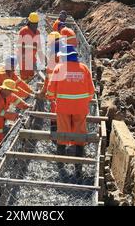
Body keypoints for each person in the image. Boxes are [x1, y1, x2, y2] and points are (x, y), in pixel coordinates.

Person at [46, 44, 95, 175]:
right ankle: (78, 170)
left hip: (63, 108)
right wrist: (82, 102)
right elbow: (91, 92)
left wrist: (54, 98)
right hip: (80, 109)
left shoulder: (58, 69)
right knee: (79, 137)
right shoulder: (84, 69)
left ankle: (61, 168)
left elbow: (50, 91)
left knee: (62, 134)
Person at [38, 31, 61, 131]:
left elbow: (49, 77)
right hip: (67, 89)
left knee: (54, 106)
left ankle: (55, 127)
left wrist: (44, 91)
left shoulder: (54, 56)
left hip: (57, 90)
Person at [17, 12, 44, 81]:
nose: (35, 25)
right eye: (33, 24)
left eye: (36, 24)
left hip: (33, 59)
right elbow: (20, 46)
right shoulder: (23, 31)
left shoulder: (37, 32)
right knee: (24, 78)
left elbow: (39, 47)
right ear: (29, 22)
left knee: (31, 77)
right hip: (24, 60)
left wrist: (43, 59)